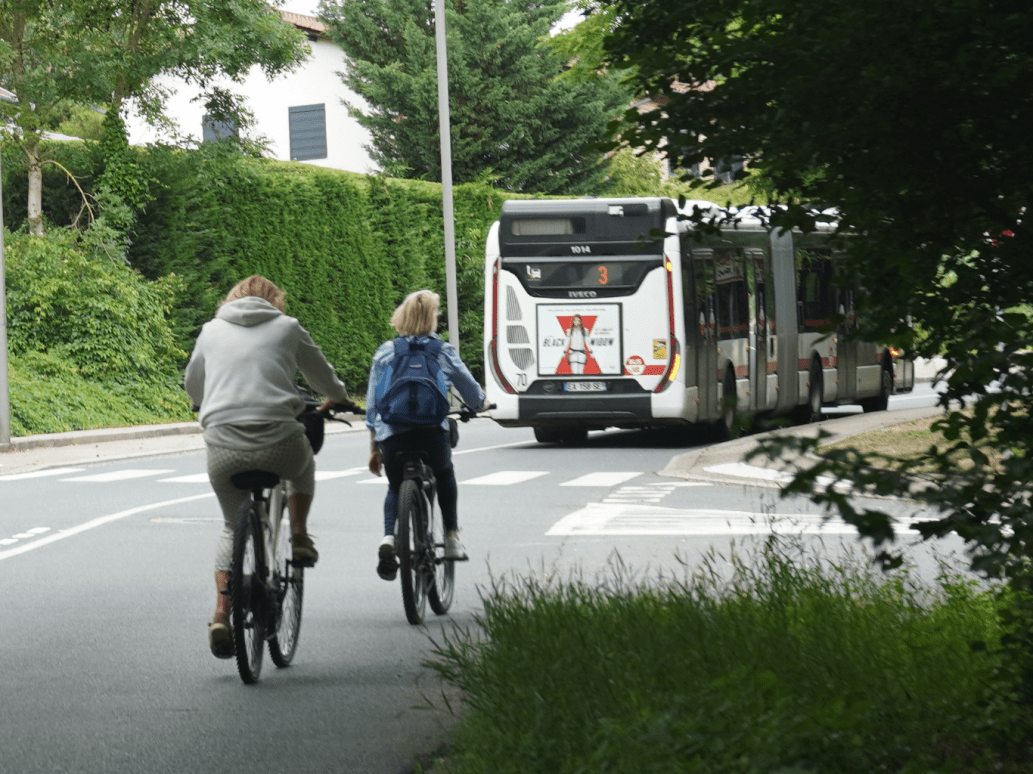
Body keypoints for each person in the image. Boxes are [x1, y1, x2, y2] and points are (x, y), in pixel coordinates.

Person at [184, 275, 353, 659]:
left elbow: (193, 383)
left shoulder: (211, 331)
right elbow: (322, 375)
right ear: (275, 300)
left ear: (230, 300)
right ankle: (298, 535)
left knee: (231, 526)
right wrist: (338, 398)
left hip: (223, 448)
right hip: (280, 443)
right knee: (303, 464)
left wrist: (200, 404)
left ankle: (221, 615)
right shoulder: (287, 327)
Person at [366, 289, 487, 581]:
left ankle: (388, 537)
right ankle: (451, 537)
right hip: (431, 433)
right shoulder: (442, 351)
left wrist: (374, 445)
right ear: (432, 318)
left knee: (395, 486)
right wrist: (480, 404)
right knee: (444, 472)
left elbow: (372, 405)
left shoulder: (386, 351)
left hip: (393, 435)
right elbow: (470, 391)